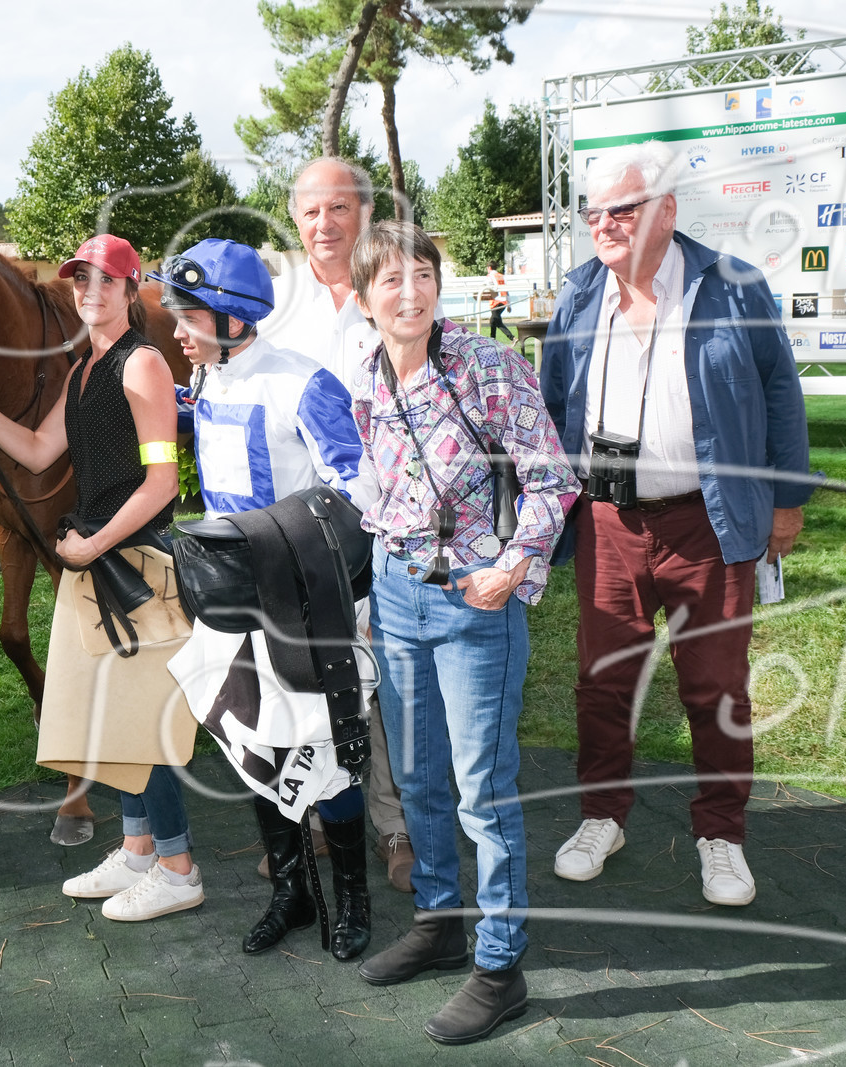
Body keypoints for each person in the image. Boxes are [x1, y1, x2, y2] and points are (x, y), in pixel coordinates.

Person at [540, 140, 811, 908]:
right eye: (594, 212)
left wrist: (786, 498)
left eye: (621, 209)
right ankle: (602, 816)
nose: (603, 224)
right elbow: (553, 401)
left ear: (666, 210)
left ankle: (721, 833)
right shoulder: (578, 295)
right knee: (604, 682)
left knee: (714, 683)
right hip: (608, 523)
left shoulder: (731, 285)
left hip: (707, 521)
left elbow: (780, 390)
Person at [349, 220, 579, 1045]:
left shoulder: (487, 365)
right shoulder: (367, 377)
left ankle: (500, 963)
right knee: (416, 776)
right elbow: (380, 484)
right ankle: (440, 921)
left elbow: (552, 479)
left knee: (483, 787)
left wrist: (512, 567)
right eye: (391, 280)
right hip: (396, 594)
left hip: (476, 602)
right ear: (364, 298)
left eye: (422, 275)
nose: (409, 293)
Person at [0, 234, 204, 922]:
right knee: (110, 717)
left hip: (136, 562)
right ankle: (138, 849)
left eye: (105, 280)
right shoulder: (84, 370)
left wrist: (94, 542)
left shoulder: (143, 363)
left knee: (142, 725)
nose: (89, 291)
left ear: (129, 289)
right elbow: (38, 449)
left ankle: (178, 868)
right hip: (96, 562)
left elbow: (161, 483)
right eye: (79, 279)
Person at [155, 238, 376, 961]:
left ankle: (354, 901)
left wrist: (288, 547)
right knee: (256, 745)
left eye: (189, 317)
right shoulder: (210, 378)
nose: (178, 331)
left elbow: (357, 489)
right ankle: (292, 894)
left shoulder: (303, 383)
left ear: (232, 317)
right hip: (233, 600)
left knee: (326, 749)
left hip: (305, 602)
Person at [260, 155, 417, 894]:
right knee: (312, 679)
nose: (324, 224)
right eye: (310, 211)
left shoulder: (398, 293)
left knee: (385, 679)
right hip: (298, 536)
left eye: (339, 208)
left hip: (386, 528)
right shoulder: (274, 309)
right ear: (295, 218)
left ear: (366, 212)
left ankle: (396, 824)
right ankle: (325, 815)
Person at [486, 260, 514, 341]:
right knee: (493, 321)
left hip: (495, 302)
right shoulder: (501, 276)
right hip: (503, 302)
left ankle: (512, 338)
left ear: (489, 268)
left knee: (496, 321)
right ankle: (493, 339)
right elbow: (506, 290)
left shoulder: (490, 276)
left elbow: (486, 287)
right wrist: (509, 304)